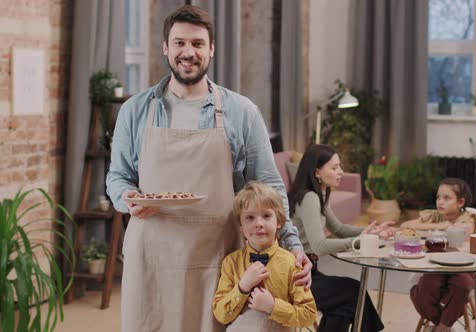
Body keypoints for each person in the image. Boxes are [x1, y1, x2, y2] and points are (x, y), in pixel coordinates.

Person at [105, 5, 311, 331]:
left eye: (198, 44)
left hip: (217, 257)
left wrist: (293, 245)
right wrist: (125, 196)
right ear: (166, 48)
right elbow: (118, 176)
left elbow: (269, 186)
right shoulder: (135, 111)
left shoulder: (242, 112)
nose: (189, 52)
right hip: (152, 257)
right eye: (180, 43)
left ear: (211, 49)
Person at [288, 144, 393, 332]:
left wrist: (368, 233)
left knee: (344, 306)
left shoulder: (318, 195)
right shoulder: (309, 198)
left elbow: (339, 228)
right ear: (317, 172)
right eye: (334, 167)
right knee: (354, 292)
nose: (341, 172)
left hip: (308, 273)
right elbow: (319, 246)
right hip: (295, 279)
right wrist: (359, 242)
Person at [213, 182, 317, 331]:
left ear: (279, 221)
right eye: (250, 217)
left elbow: (309, 315)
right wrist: (243, 287)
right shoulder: (231, 262)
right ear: (241, 227)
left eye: (266, 216)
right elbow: (221, 315)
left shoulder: (292, 264)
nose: (259, 223)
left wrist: (272, 306)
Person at [401, 178, 476, 332]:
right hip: (435, 264)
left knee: (463, 284)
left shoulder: (468, 217)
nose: (440, 202)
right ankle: (444, 325)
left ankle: (441, 328)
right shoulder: (433, 216)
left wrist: (438, 228)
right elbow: (405, 225)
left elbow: (466, 230)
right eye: (438, 197)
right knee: (425, 288)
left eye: (447, 198)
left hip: (462, 266)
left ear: (460, 203)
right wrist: (439, 225)